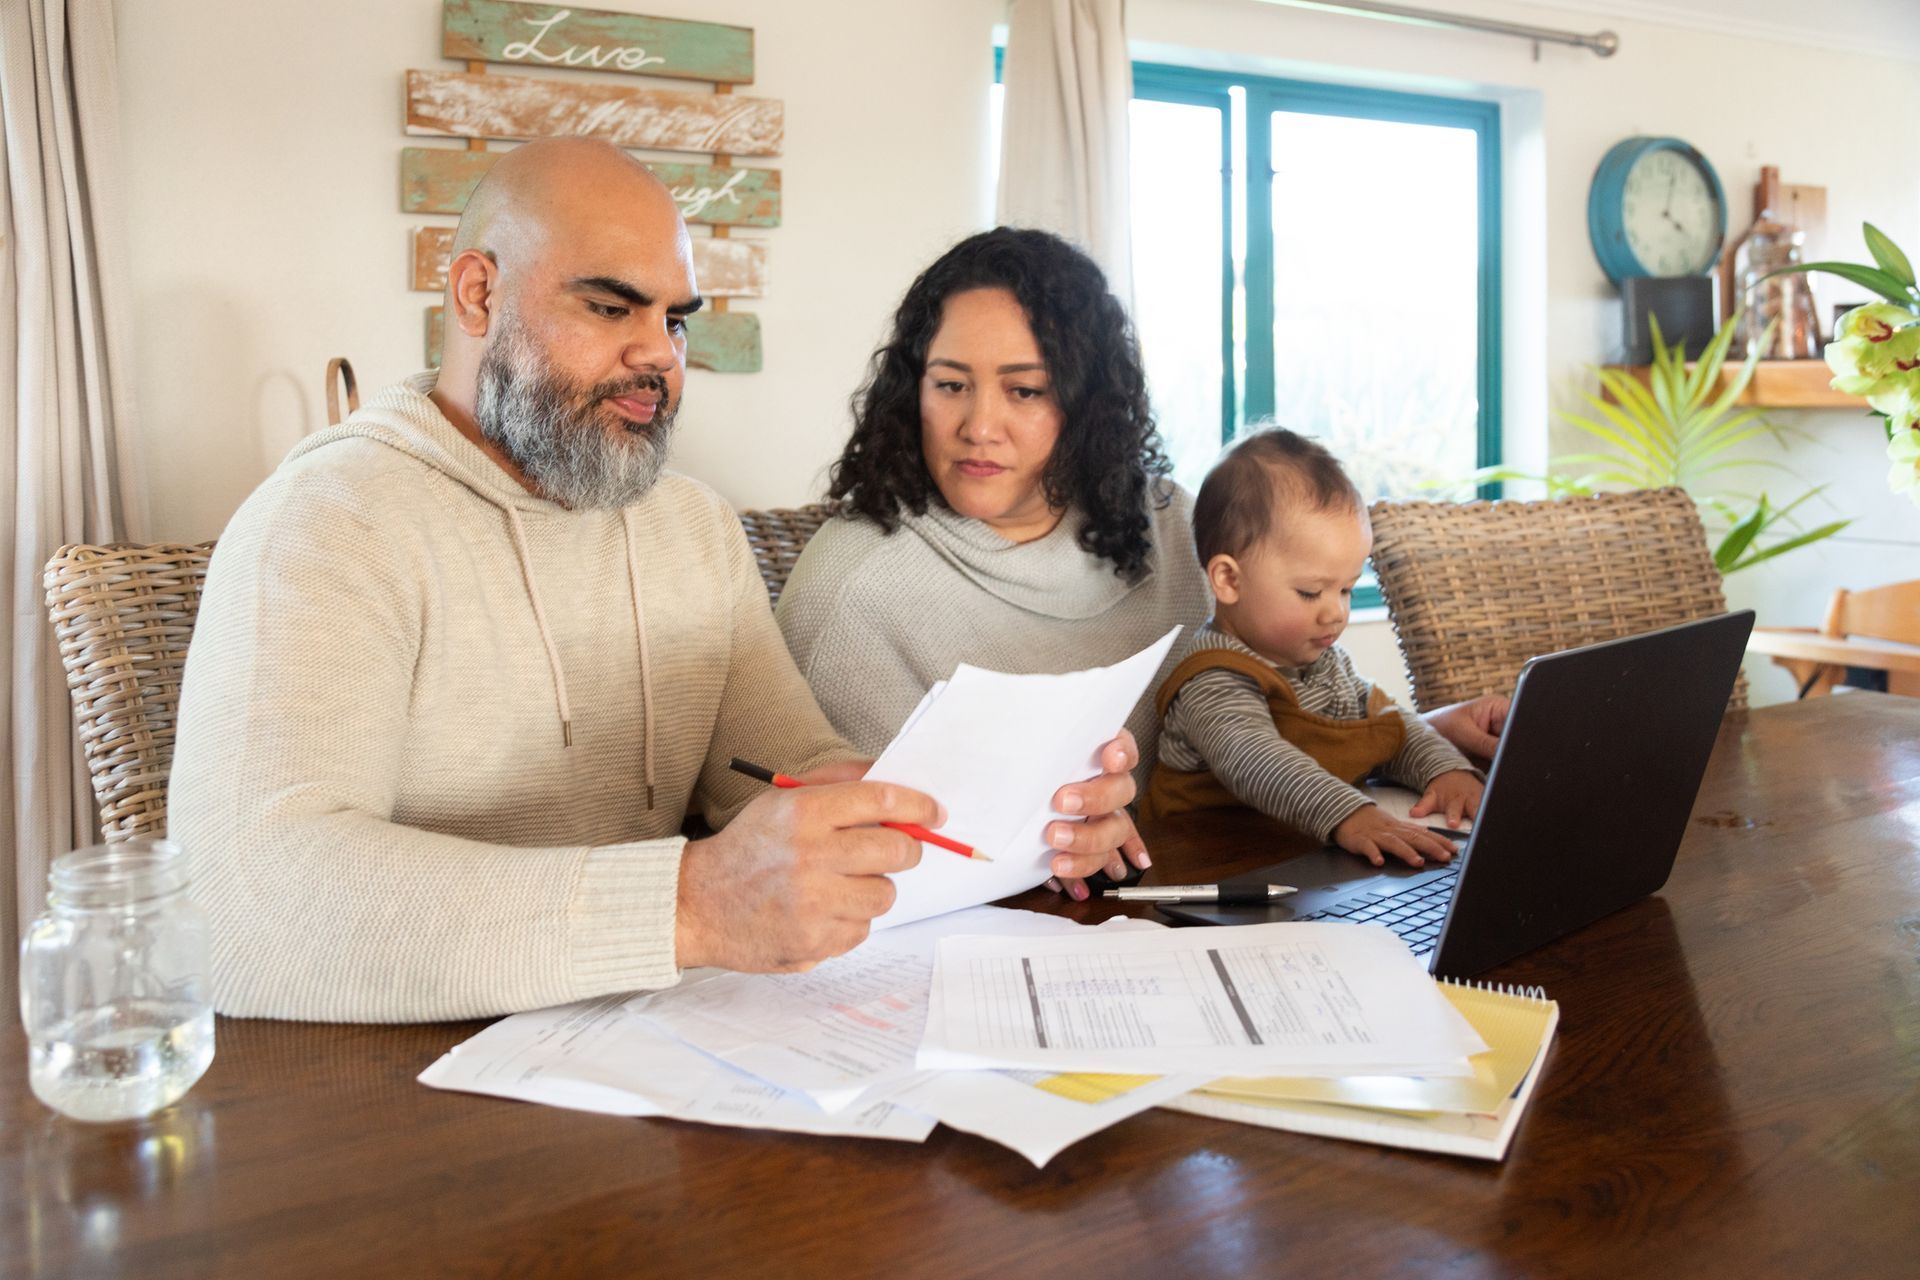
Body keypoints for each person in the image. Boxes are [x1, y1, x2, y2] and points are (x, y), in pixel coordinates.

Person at [167, 139, 1141, 1023]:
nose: (657, 355)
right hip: (389, 1103)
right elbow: (246, 903)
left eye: (675, 319)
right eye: (608, 305)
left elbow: (784, 763)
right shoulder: (329, 522)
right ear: (474, 294)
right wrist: (689, 903)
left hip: (645, 1057)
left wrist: (1014, 814)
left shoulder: (692, 527)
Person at [775, 228, 1212, 900]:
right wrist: (1056, 845)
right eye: (950, 385)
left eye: (1026, 391)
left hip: (1174, 894)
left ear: (1088, 404)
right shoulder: (852, 585)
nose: (979, 426)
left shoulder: (1174, 527)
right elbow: (818, 856)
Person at [1143, 428, 1485, 868]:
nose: (1335, 614)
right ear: (1229, 580)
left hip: (1298, 859)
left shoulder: (1327, 665)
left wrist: (1446, 770)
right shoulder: (1213, 676)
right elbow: (1257, 761)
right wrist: (1350, 814)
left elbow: (1390, 727)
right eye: (1310, 592)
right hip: (1204, 867)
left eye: (1345, 589)